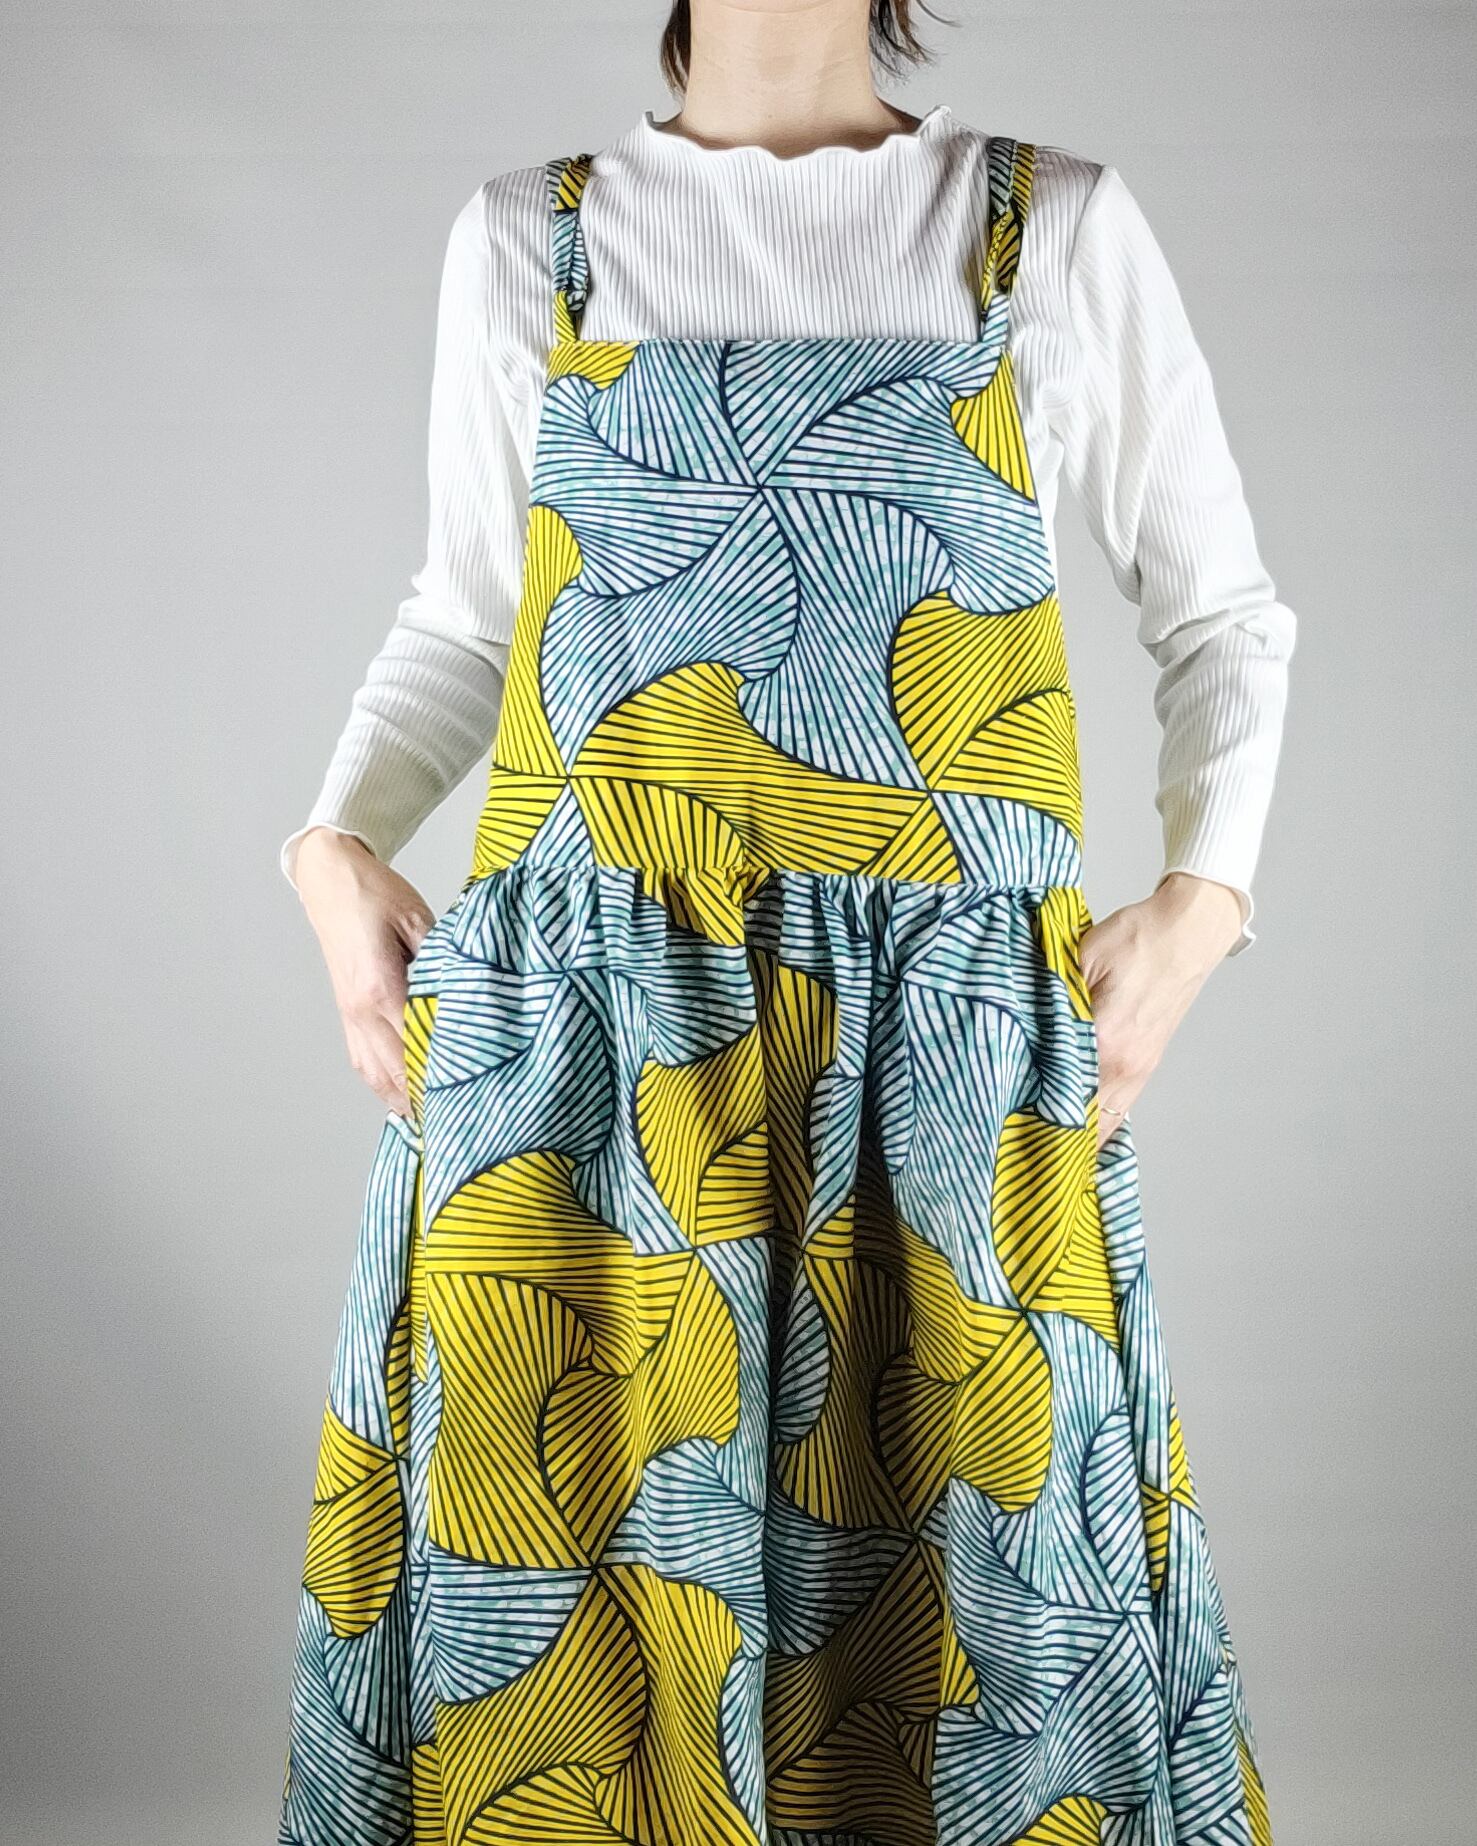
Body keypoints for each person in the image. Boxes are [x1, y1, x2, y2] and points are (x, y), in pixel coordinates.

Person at [276, 4, 1292, 1842]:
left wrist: (1204, 900)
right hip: (594, 1070)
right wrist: (330, 847)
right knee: (582, 1661)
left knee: (975, 1651)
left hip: (934, 1079)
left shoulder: (1043, 227)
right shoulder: (532, 238)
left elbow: (1221, 614)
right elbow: (465, 615)